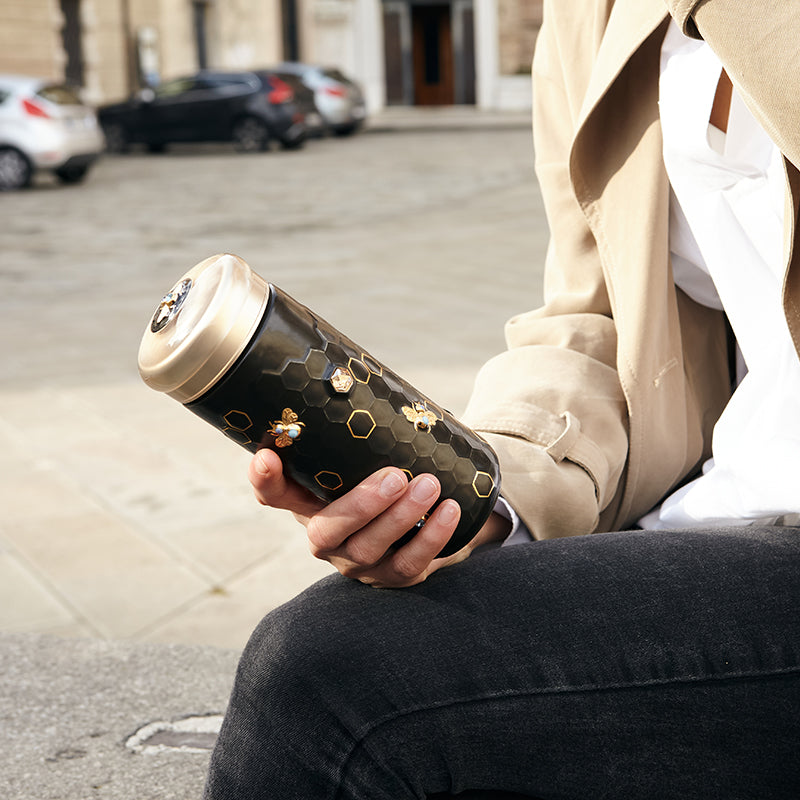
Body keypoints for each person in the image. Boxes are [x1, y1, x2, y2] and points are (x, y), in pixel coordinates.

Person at [203, 0, 800, 797]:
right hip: (743, 498)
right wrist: (487, 490)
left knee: (329, 685)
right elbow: (602, 314)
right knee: (362, 650)